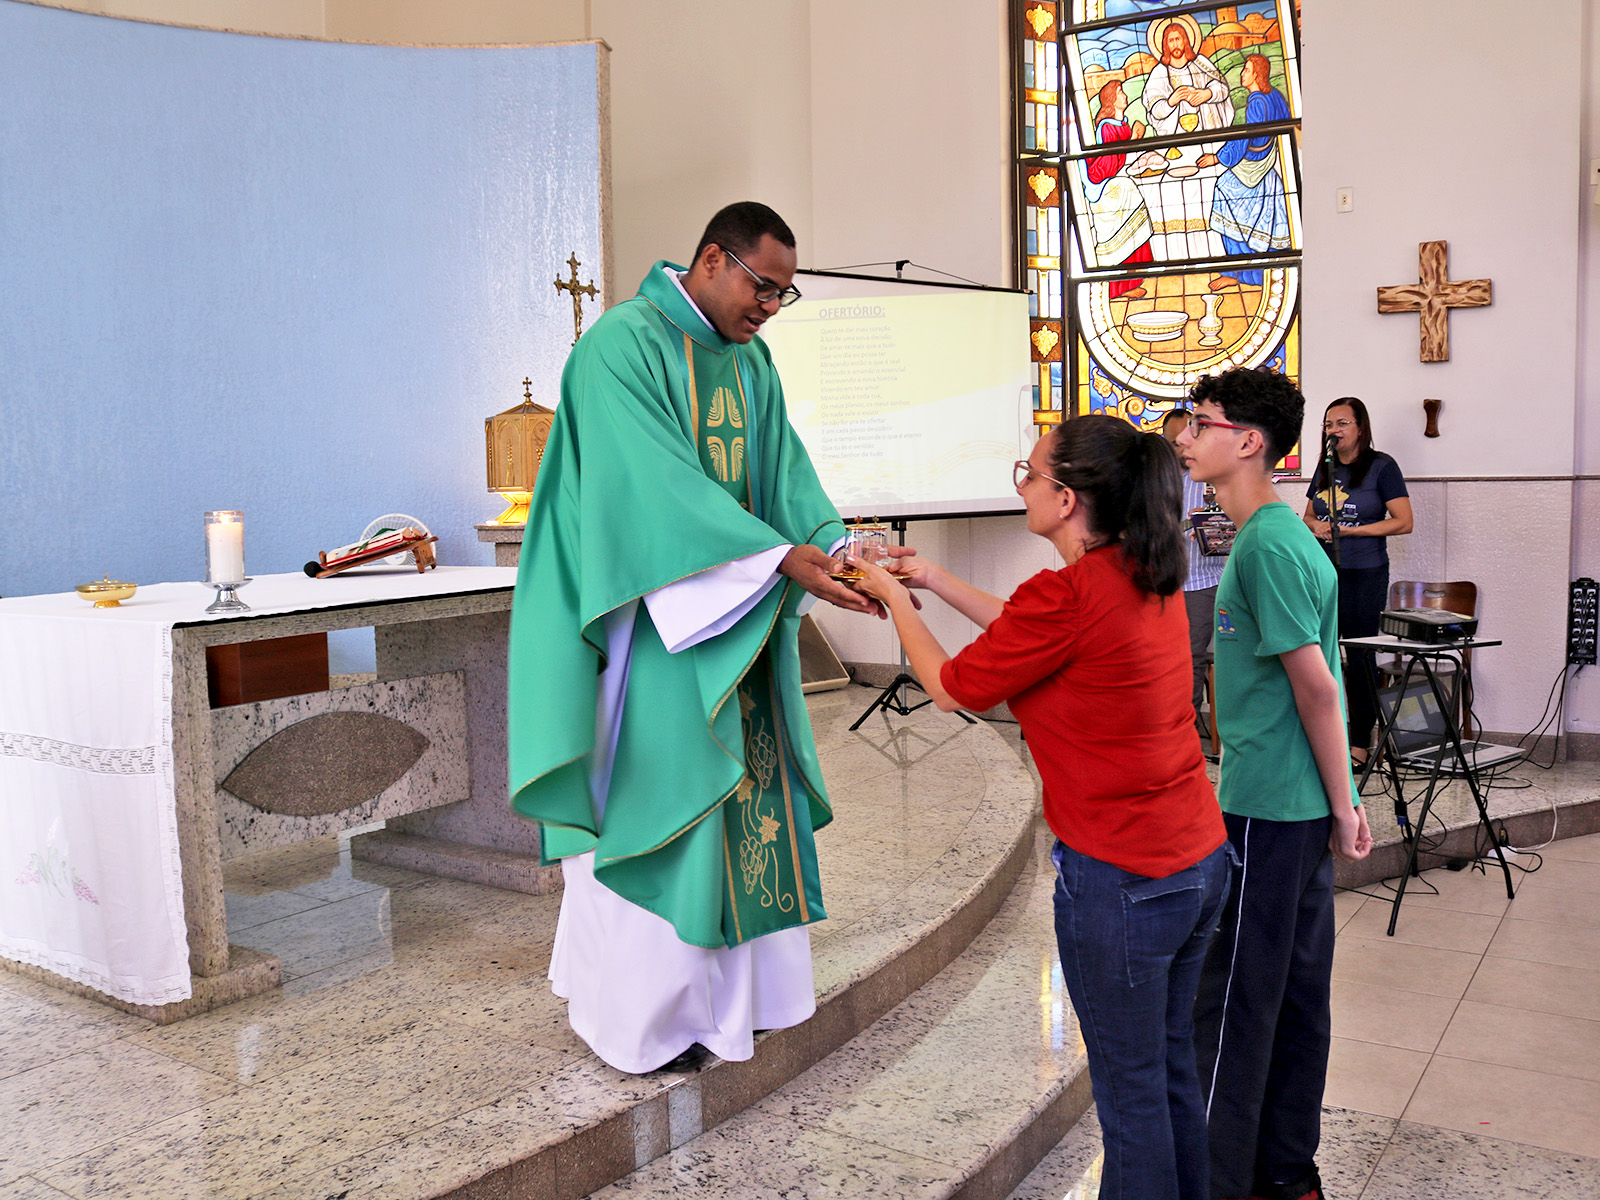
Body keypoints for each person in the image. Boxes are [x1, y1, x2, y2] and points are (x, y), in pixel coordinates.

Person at [506, 201, 884, 1074]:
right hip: (648, 626)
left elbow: (786, 475)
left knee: (745, 812)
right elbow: (650, 488)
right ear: (713, 259)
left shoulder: (751, 363)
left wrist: (836, 547)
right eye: (762, 287)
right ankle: (646, 1021)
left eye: (783, 295)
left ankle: (737, 1007)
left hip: (734, 620)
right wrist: (779, 558)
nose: (769, 308)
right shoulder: (620, 346)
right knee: (664, 811)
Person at [847, 416, 1230, 1200]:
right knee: (1167, 1072)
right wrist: (934, 580)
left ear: (1065, 499)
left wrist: (892, 598)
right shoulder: (1143, 569)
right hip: (1197, 860)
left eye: (1029, 474)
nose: (1021, 486)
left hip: (1124, 879)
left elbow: (950, 688)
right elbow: (1035, 633)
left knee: (1129, 1098)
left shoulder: (1068, 594)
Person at [1175, 368, 1373, 1200]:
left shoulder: (1266, 545)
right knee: (1291, 995)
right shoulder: (1277, 537)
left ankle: (1222, 1182)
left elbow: (1317, 688)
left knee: (1234, 1004)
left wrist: (1346, 804)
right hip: (1288, 803)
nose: (1186, 436)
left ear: (1249, 442)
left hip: (1266, 807)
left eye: (1202, 422)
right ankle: (1285, 1173)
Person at [1302, 396, 1412, 769]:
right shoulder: (1325, 466)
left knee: (1360, 655)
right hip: (1323, 571)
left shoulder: (1382, 466)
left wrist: (1353, 531)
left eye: (1342, 423)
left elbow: (1404, 521)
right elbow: (1308, 515)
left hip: (1365, 573)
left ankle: (1360, 742)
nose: (1333, 431)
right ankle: (1322, 736)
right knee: (1319, 653)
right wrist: (1316, 526)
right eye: (1328, 425)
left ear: (1360, 428)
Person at [1201, 55, 1292, 291]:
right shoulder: (1274, 95)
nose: (1243, 73)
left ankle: (1236, 273)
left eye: (1247, 70)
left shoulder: (1257, 103)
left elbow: (1246, 140)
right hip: (1267, 162)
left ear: (1257, 75)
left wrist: (1216, 158)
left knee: (1222, 190)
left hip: (1253, 168)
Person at [1162, 408, 1223, 729]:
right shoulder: (1156, 480)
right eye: (1172, 442)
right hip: (1161, 582)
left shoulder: (1213, 477)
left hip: (1201, 581)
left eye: (1184, 440)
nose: (1180, 447)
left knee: (1189, 659)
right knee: (1158, 659)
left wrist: (1211, 523)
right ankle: (1159, 729)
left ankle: (1184, 731)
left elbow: (1236, 527)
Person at [1087, 79, 1154, 300]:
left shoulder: (1120, 125)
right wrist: (1133, 140)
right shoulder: (1107, 128)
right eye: (1120, 92)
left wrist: (1133, 138)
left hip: (1114, 179)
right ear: (1111, 100)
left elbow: (1122, 155)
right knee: (1128, 189)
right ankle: (1119, 286)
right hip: (1102, 186)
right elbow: (1106, 166)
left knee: (1131, 190)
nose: (1124, 96)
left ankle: (1134, 277)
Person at [1143, 18, 1234, 137]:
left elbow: (1223, 88)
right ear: (1165, 44)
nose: (1175, 45)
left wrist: (1208, 93)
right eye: (1171, 41)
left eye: (1178, 39)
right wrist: (1171, 102)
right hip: (1177, 139)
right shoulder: (1159, 73)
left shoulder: (1200, 63)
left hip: (1208, 132)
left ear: (1185, 40)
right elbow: (1155, 111)